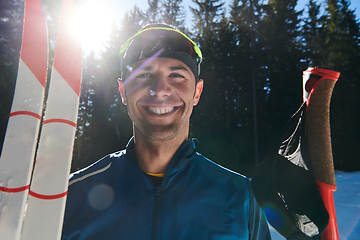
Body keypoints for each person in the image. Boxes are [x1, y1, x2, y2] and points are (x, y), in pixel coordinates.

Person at [61, 23, 271, 240]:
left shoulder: (240, 197)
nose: (160, 90)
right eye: (143, 76)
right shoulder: (73, 194)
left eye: (177, 75)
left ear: (197, 92)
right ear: (124, 92)